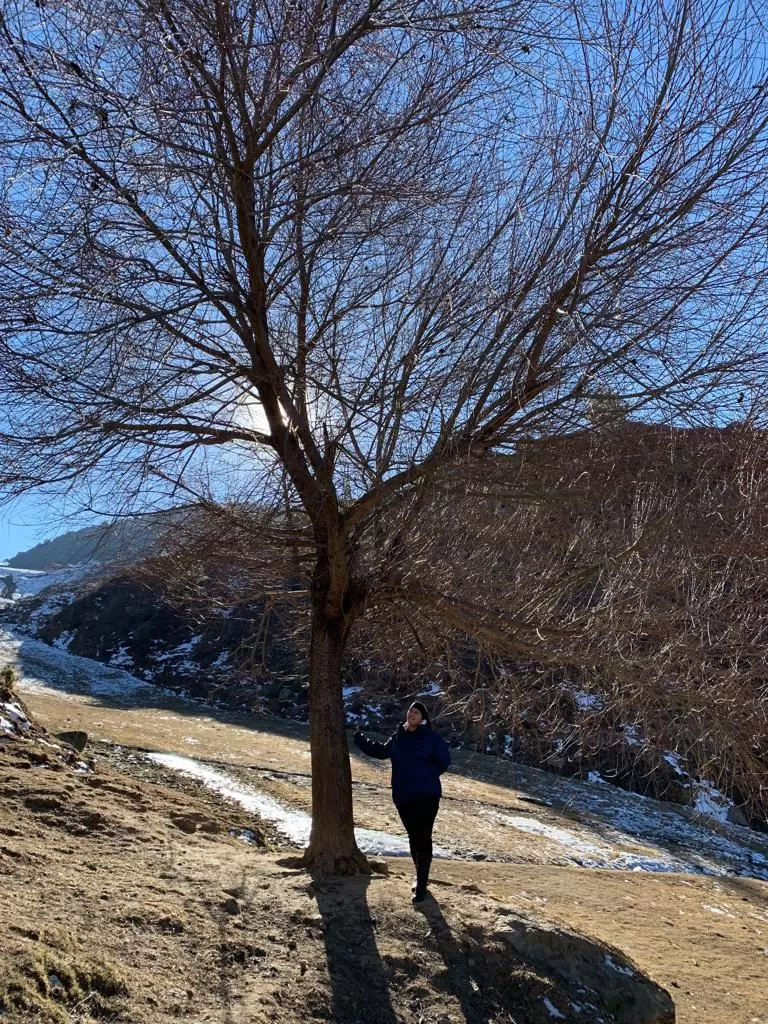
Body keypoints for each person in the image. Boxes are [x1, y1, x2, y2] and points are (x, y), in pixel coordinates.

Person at [354, 700, 450, 902]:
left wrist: (427, 774)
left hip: (427, 796)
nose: (411, 714)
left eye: (416, 712)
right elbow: (381, 751)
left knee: (423, 836)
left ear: (422, 718)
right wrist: (360, 740)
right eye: (410, 711)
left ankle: (421, 884)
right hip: (404, 796)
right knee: (413, 836)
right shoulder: (399, 737)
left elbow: (444, 761)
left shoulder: (431, 738)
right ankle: (419, 875)